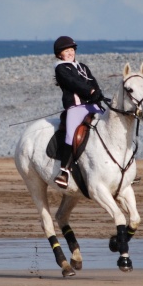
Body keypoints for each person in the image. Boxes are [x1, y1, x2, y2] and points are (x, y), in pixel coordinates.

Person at [52, 36, 106, 188]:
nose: (70, 53)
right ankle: (64, 171)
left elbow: (92, 80)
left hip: (91, 105)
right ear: (59, 54)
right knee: (71, 134)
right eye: (66, 51)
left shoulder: (83, 67)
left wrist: (98, 92)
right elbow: (73, 83)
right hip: (76, 107)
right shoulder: (61, 68)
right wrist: (90, 91)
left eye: (71, 50)